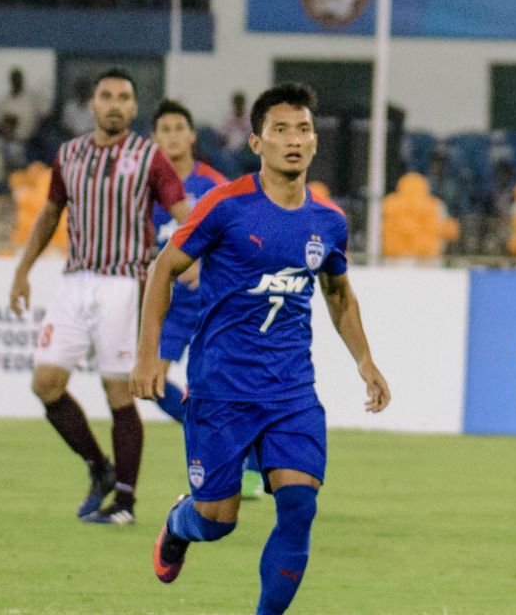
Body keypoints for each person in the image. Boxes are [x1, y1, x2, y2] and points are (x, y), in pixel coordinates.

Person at [133, 82, 390, 613]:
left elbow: (338, 291)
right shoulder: (224, 207)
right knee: (216, 521)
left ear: (315, 142)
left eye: (303, 130)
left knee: (298, 505)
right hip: (222, 389)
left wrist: (365, 361)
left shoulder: (329, 221)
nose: (293, 140)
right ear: (257, 142)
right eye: (280, 130)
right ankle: (180, 526)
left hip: (291, 390)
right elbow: (165, 268)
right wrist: (146, 354)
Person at [8, 68, 188, 525]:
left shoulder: (149, 157)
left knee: (119, 391)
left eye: (123, 97)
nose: (113, 104)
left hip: (124, 283)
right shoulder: (69, 155)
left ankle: (125, 503)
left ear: (132, 107)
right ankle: (99, 467)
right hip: (75, 281)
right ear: (92, 104)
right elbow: (50, 214)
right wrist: (23, 270)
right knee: (45, 383)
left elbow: (183, 213)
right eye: (105, 95)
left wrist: (199, 257)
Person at [142, 100, 262, 495]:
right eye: (165, 129)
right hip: (172, 308)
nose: (173, 135)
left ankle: (249, 463)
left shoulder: (213, 185)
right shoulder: (147, 190)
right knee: (153, 384)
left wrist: (205, 265)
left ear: (192, 136)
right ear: (155, 138)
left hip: (213, 302)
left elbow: (238, 239)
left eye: (180, 127)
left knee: (229, 387)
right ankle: (228, 449)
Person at [0, 67, 48, 142]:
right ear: (11, 81)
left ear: (22, 80)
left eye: (18, 78)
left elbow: (44, 115)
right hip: (10, 141)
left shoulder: (32, 98)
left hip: (31, 141)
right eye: (14, 79)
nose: (16, 81)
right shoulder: (4, 101)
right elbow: (0, 122)